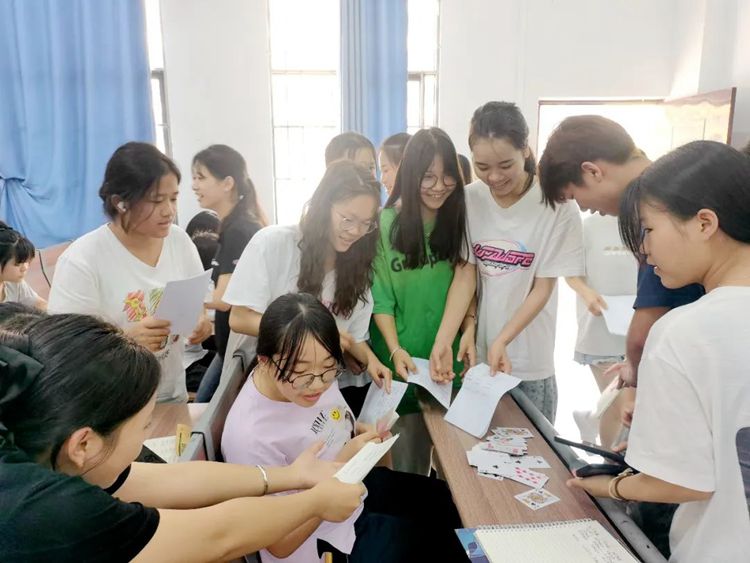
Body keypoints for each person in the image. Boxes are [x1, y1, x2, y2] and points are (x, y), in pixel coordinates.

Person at [0, 308, 365, 562]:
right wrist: (313, 503)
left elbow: (171, 479)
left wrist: (291, 476)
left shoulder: (44, 446)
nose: (146, 436)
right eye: (145, 425)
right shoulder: (48, 514)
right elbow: (217, 537)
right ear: (84, 444)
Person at [568, 141, 750, 562]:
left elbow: (683, 482)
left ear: (704, 223)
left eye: (648, 230)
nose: (644, 250)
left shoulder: (684, 331)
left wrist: (610, 485)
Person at [222, 293, 465, 563]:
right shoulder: (250, 437)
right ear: (265, 361)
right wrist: (341, 466)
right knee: (448, 546)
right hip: (325, 538)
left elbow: (333, 427)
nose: (317, 385)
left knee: (451, 504)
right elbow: (278, 545)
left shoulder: (310, 367)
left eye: (329, 369)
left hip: (354, 489)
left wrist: (361, 437)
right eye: (302, 374)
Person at [430, 102, 584, 422]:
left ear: (525, 149)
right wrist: (444, 339)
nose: (494, 177)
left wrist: (503, 339)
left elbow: (543, 287)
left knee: (533, 449)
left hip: (529, 361)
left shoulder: (557, 206)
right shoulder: (470, 199)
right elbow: (466, 273)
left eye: (505, 165)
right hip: (481, 359)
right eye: (482, 167)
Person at [48, 142, 212, 403]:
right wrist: (125, 341)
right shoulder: (82, 260)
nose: (169, 211)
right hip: (114, 407)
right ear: (120, 203)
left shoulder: (178, 241)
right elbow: (66, 353)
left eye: (173, 198)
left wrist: (200, 322)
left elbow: (197, 303)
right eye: (156, 201)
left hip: (171, 395)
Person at [224, 161, 391, 415]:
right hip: (261, 389)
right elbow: (239, 318)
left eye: (366, 223)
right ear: (324, 206)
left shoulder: (357, 270)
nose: (356, 231)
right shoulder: (274, 244)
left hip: (311, 395)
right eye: (347, 219)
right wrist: (314, 333)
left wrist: (372, 362)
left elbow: (351, 336)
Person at [370, 127, 471, 474]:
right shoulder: (385, 224)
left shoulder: (459, 221)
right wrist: (395, 349)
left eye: (447, 176)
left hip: (448, 367)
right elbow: (381, 299)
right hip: (402, 368)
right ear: (410, 174)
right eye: (428, 176)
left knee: (455, 472)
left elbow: (469, 284)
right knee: (408, 471)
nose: (439, 186)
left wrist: (468, 328)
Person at [191, 144, 268, 402]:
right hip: (229, 347)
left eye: (201, 177)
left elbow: (225, 298)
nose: (194, 186)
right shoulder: (234, 225)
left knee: (205, 411)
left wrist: (181, 298)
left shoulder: (239, 230)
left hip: (240, 348)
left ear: (227, 183)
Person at [565, 214, 637, 447]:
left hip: (640, 329)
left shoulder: (646, 219)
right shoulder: (587, 226)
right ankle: (610, 458)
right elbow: (570, 272)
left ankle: (592, 420)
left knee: (620, 405)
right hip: (600, 330)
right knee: (621, 407)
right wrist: (587, 294)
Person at [0, 221, 47, 310]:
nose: (25, 268)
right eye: (18, 264)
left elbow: (40, 304)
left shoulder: (14, 284)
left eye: (26, 262)